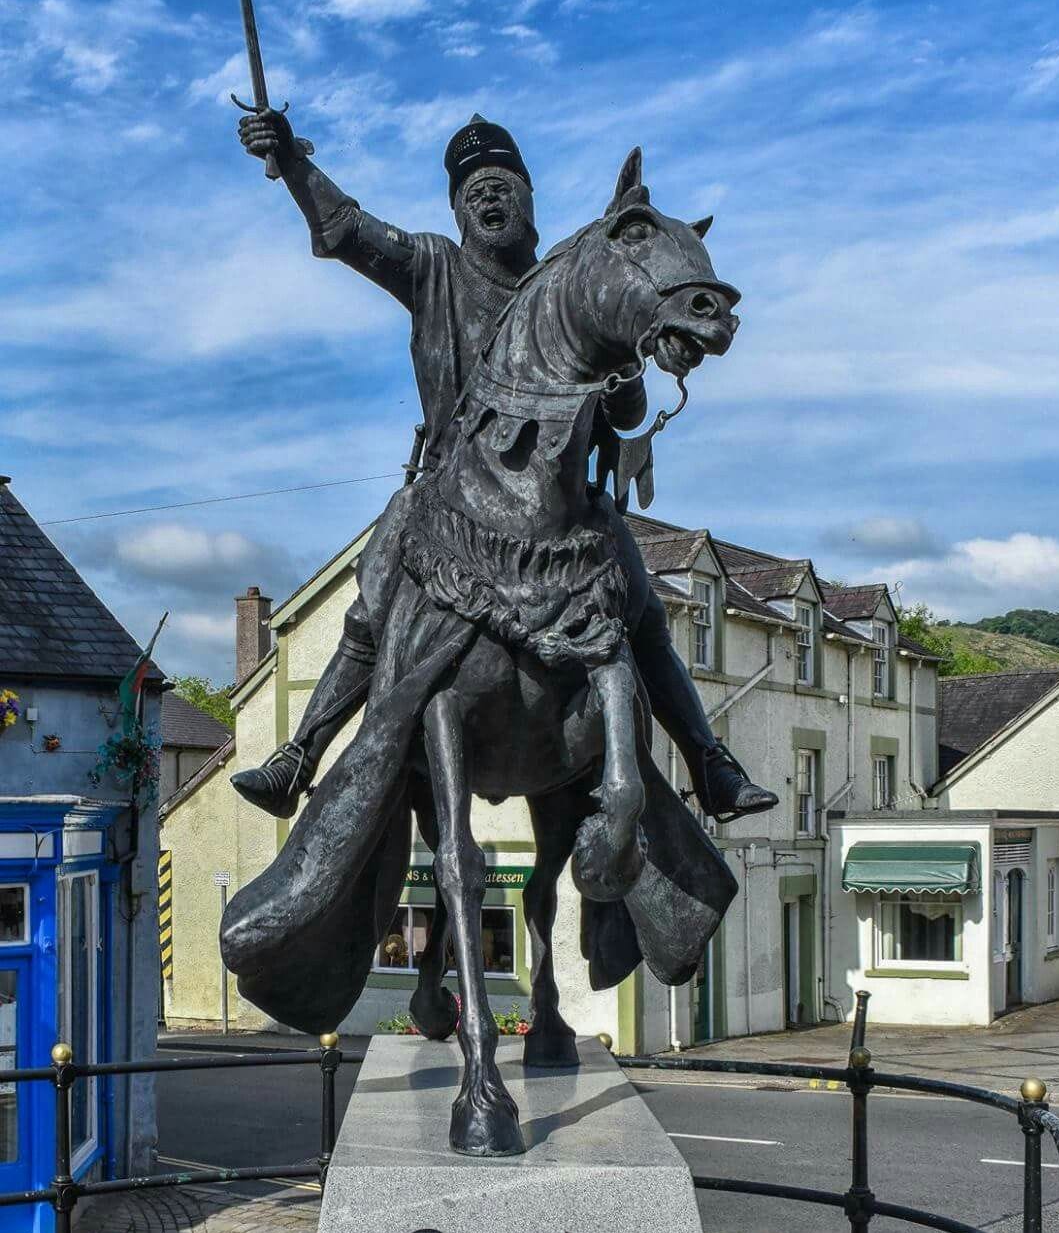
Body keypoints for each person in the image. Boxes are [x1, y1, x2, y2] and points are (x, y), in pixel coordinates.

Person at [231, 111, 776, 823]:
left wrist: (634, 353)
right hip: (451, 499)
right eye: (471, 191)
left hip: (562, 512)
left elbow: (623, 417)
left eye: (501, 186)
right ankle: (301, 752)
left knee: (640, 614)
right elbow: (348, 230)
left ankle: (708, 762)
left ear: (529, 200)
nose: (487, 200)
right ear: (456, 211)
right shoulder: (432, 265)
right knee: (370, 607)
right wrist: (294, 165)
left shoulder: (578, 286)